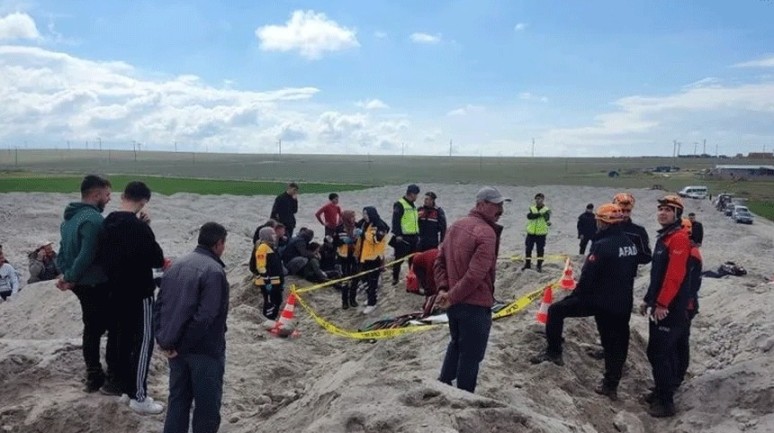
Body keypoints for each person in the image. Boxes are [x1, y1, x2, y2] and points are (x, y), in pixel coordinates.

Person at [530, 203, 638, 401]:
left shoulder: (602, 245)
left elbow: (589, 276)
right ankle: (611, 385)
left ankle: (554, 352)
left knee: (555, 311)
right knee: (617, 342)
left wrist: (577, 296)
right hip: (622, 301)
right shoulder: (629, 243)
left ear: (603, 222)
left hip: (599, 300)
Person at [154, 222, 229, 433]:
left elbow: (160, 305)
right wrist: (183, 345)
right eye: (224, 244)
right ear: (218, 243)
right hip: (203, 350)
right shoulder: (214, 271)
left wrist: (165, 341)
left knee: (178, 400)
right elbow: (206, 317)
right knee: (207, 407)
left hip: (175, 348)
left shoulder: (176, 265)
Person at [99, 181, 165, 413]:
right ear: (144, 201)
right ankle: (138, 395)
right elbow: (156, 258)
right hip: (140, 294)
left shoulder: (108, 223)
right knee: (144, 343)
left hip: (114, 293)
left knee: (123, 341)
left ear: (122, 196)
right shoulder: (140, 229)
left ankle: (126, 390)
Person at [434, 186, 508, 393]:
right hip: (474, 303)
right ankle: (464, 395)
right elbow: (475, 275)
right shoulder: (486, 233)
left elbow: (439, 261)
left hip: (454, 302)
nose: (501, 209)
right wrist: (449, 294)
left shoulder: (456, 225)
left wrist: (444, 290)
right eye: (496, 204)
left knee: (457, 343)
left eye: (502, 205)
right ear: (481, 204)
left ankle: (444, 383)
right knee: (472, 355)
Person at [55, 174, 117, 393]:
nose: (109, 199)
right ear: (96, 194)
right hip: (95, 284)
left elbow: (62, 252)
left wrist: (67, 276)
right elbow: (87, 254)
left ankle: (93, 374)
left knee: (91, 328)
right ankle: (106, 376)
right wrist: (70, 276)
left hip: (81, 284)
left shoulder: (69, 220)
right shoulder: (93, 220)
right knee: (112, 327)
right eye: (107, 194)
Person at [639, 194, 692, 418]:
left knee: (658, 352)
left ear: (677, 214)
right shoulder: (665, 237)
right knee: (664, 351)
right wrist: (648, 299)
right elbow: (657, 275)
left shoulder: (678, 238)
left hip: (671, 308)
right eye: (661, 209)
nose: (663, 212)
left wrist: (661, 304)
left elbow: (674, 276)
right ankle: (663, 389)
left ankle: (666, 402)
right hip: (663, 304)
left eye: (668, 210)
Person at [354, 206, 390, 314]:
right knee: (365, 279)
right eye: (363, 214)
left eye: (366, 214)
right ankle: (370, 297)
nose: (364, 216)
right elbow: (355, 226)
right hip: (364, 256)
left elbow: (376, 239)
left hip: (375, 257)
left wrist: (364, 234)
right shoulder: (365, 223)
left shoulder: (379, 225)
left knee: (373, 280)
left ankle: (372, 303)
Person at [390, 184, 421, 285]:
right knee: (398, 259)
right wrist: (398, 234)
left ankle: (412, 279)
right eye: (416, 195)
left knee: (413, 260)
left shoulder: (413, 205)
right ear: (411, 194)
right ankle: (395, 278)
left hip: (414, 236)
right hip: (403, 238)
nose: (417, 197)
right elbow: (395, 221)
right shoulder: (400, 204)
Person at [253, 227, 284, 321]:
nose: (275, 236)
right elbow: (260, 265)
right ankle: (268, 319)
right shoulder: (263, 247)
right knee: (270, 301)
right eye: (273, 234)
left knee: (277, 300)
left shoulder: (271, 246)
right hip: (269, 281)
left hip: (275, 280)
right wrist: (266, 278)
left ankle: (272, 318)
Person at [613, 193, 652, 265]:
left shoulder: (638, 231)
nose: (625, 215)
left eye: (628, 211)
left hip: (628, 273)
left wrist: (628, 254)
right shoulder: (606, 228)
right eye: (622, 210)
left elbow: (647, 256)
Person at [334, 210, 359, 309]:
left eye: (354, 216)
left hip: (354, 256)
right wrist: (343, 241)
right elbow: (335, 243)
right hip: (343, 257)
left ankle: (353, 299)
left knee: (355, 279)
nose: (354, 218)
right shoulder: (339, 228)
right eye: (352, 217)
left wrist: (356, 238)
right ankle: (344, 301)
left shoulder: (357, 226)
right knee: (345, 279)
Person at [406, 247, 440, 317]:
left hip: (424, 261)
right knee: (431, 290)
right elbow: (430, 279)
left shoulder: (442, 258)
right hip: (419, 266)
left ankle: (430, 303)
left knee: (434, 288)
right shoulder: (434, 262)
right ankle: (426, 312)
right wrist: (431, 291)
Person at [523, 193, 551, 272]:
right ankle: (527, 264)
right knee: (528, 249)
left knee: (540, 250)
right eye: (537, 199)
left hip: (541, 234)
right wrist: (539, 214)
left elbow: (547, 218)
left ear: (543, 200)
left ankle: (539, 266)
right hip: (531, 233)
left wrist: (547, 221)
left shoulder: (546, 210)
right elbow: (529, 216)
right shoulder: (532, 208)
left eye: (540, 199)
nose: (538, 200)